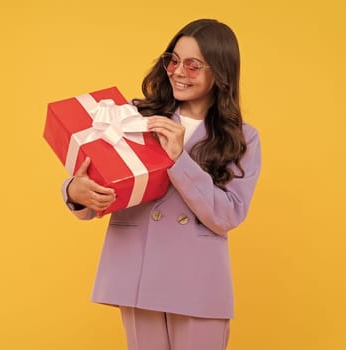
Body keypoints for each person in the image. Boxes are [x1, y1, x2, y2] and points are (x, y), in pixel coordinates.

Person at [61, 19, 261, 350]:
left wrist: (179, 159)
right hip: (138, 271)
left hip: (197, 280)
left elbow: (228, 215)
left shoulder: (242, 138)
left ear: (220, 73)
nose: (179, 72)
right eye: (173, 60)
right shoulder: (134, 115)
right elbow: (105, 175)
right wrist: (75, 193)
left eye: (193, 65)